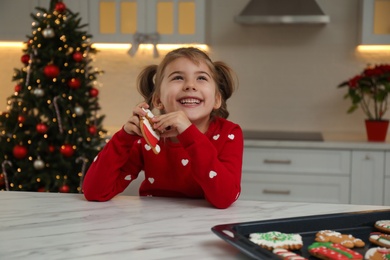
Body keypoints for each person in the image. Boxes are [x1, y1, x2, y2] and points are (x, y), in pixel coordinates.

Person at [83, 47, 243, 209]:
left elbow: (225, 198)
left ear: (217, 100)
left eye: (201, 78)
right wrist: (123, 138)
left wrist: (188, 133)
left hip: (206, 226)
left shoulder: (229, 133)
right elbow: (95, 192)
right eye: (178, 78)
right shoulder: (147, 138)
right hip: (154, 226)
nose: (190, 85)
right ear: (158, 100)